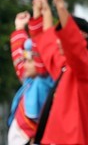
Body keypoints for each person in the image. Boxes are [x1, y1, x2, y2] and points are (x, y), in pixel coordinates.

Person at [33, 0, 88, 145]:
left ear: (81, 37)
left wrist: (60, 5)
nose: (60, 39)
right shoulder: (65, 68)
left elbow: (73, 47)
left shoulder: (87, 66)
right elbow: (49, 43)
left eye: (65, 35)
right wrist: (44, 12)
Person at [8, 9, 53, 145]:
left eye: (29, 60)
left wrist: (44, 18)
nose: (25, 63)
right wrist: (20, 27)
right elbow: (20, 62)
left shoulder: (44, 83)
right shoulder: (32, 80)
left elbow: (45, 47)